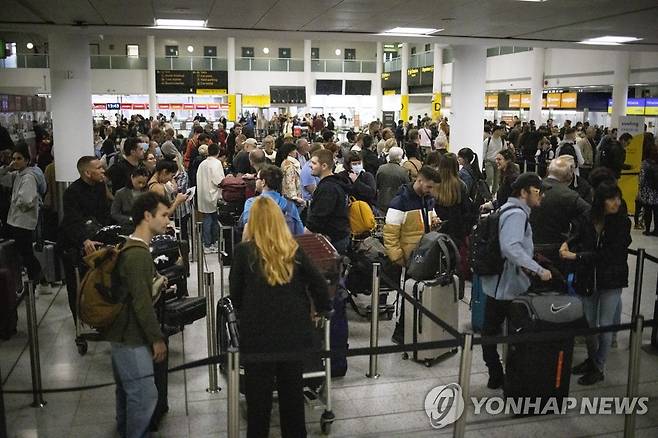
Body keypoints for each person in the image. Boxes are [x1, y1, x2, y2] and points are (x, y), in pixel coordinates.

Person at [230, 196, 331, 438]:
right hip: (292, 334)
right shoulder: (293, 248)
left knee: (258, 403)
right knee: (292, 397)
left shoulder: (244, 252)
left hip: (258, 337)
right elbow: (318, 282)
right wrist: (321, 309)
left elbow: (236, 295)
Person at [103, 192, 170, 438]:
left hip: (121, 333)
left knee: (127, 392)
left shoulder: (129, 246)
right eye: (163, 215)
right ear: (146, 216)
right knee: (143, 394)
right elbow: (141, 303)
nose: (167, 220)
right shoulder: (138, 254)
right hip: (131, 336)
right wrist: (156, 338)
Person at [480, 173, 552, 389]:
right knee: (494, 332)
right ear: (524, 192)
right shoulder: (517, 214)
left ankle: (499, 374)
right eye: (537, 192)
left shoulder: (507, 209)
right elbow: (511, 247)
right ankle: (499, 374)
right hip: (507, 285)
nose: (541, 197)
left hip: (501, 282)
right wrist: (538, 270)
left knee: (491, 330)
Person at [560, 182, 631, 385]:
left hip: (611, 278)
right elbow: (578, 234)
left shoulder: (621, 223)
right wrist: (568, 243)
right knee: (589, 324)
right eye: (611, 199)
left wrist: (576, 256)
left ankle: (599, 366)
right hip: (588, 278)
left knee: (605, 325)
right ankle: (592, 359)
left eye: (618, 198)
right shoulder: (588, 217)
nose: (616, 202)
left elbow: (610, 254)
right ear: (601, 201)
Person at [58, 156, 112, 323]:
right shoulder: (72, 193)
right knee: (77, 286)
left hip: (97, 238)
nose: (103, 170)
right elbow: (72, 220)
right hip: (74, 243)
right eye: (99, 168)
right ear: (88, 172)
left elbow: (104, 214)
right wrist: (84, 240)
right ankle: (79, 321)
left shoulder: (100, 186)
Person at [530, 156, 590, 265]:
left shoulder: (530, 189)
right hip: (556, 250)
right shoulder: (570, 196)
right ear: (569, 175)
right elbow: (590, 214)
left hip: (528, 247)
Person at [0, 145, 43, 287]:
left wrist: (15, 202)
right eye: (14, 158)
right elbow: (1, 177)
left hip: (23, 222)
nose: (16, 161)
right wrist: (8, 167)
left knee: (26, 254)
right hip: (17, 221)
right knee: (24, 252)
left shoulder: (28, 177)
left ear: (27, 160)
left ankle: (38, 279)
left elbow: (27, 200)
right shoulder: (18, 174)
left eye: (19, 158)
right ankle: (36, 279)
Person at [306, 149, 351, 254]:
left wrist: (302, 237)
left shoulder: (327, 189)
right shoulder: (334, 184)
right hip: (339, 236)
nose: (310, 166)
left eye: (314, 163)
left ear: (324, 166)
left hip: (331, 240)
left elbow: (318, 218)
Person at [239, 165, 304, 235]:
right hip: (284, 244)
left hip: (259, 245)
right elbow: (299, 233)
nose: (256, 181)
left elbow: (247, 231)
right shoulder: (290, 205)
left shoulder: (251, 203)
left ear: (263, 182)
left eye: (257, 178)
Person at [433, 153, 472, 247]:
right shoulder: (461, 186)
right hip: (456, 230)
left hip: (437, 229)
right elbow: (466, 211)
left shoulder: (434, 184)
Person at [196, 143, 226, 253]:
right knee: (213, 220)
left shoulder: (202, 163)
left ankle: (206, 244)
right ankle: (212, 243)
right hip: (213, 195)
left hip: (203, 194)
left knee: (206, 218)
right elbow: (219, 181)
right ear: (218, 152)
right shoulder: (217, 163)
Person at [376, 146, 410, 214]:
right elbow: (407, 187)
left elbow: (377, 184)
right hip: (397, 203)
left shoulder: (381, 168)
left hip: (382, 200)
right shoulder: (403, 171)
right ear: (400, 158)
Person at [638, 139, 658, 235]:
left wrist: (640, 188)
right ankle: (656, 230)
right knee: (656, 211)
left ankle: (647, 229)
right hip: (656, 191)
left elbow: (642, 178)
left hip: (647, 191)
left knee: (648, 211)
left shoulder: (645, 163)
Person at [278, 142, 304, 207]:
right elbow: (289, 181)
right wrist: (294, 197)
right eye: (294, 150)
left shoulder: (293, 162)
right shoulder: (288, 164)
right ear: (289, 152)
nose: (296, 152)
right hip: (290, 198)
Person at [483, 125, 505, 193]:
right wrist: (483, 161)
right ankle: (485, 192)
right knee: (490, 178)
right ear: (496, 130)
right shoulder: (488, 140)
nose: (503, 132)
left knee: (496, 180)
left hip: (498, 162)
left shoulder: (502, 140)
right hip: (489, 161)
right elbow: (484, 151)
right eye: (502, 130)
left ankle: (494, 193)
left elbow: (504, 151)